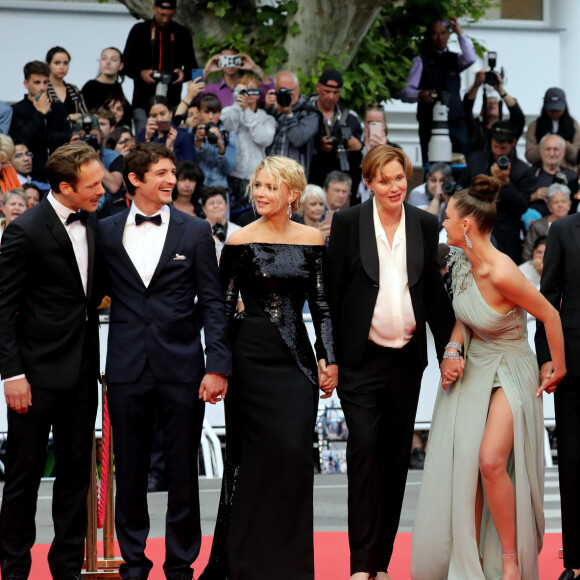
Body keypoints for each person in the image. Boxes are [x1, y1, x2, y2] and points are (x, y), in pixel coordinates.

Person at [412, 175, 566, 580]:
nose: (442, 223)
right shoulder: (461, 261)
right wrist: (452, 349)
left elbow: (550, 314)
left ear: (466, 225)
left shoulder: (502, 272)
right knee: (466, 465)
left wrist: (558, 366)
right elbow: (467, 318)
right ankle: (475, 563)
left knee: (489, 460)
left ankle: (511, 562)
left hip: (512, 367)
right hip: (476, 366)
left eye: (447, 217)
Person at [97, 142, 231, 580]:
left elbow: (213, 303)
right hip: (125, 367)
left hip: (183, 368)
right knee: (130, 471)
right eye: (162, 173)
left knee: (181, 472)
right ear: (135, 180)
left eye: (173, 172)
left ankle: (180, 564)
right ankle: (133, 563)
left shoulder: (195, 231)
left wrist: (217, 365)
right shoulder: (105, 231)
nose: (172, 180)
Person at [201, 156, 337, 580]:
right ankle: (246, 563)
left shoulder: (312, 238)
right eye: (257, 185)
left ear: (292, 194)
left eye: (270, 187)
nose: (260, 193)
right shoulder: (240, 240)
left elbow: (323, 305)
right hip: (249, 361)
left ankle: (290, 565)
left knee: (294, 456)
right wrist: (218, 367)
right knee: (250, 461)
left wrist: (328, 356)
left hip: (296, 363)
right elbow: (220, 311)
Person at [327, 145, 455, 579]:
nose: (394, 186)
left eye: (400, 178)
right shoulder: (347, 222)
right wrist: (330, 358)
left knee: (395, 459)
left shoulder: (424, 223)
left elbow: (435, 299)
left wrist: (448, 352)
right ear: (368, 182)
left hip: (406, 362)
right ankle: (360, 566)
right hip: (359, 361)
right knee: (364, 451)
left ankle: (380, 563)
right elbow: (331, 295)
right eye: (385, 180)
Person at [0, 141, 104, 580]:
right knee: (23, 477)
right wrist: (14, 374)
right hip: (35, 375)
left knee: (76, 474)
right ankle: (16, 569)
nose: (102, 189)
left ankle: (66, 569)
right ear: (66, 186)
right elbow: (3, 307)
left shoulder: (96, 222)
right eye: (94, 184)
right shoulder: (24, 230)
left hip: (82, 372)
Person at [535, 192, 580, 580]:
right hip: (575, 367)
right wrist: (547, 356)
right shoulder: (563, 230)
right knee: (573, 461)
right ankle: (577, 562)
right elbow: (547, 299)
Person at [399, 16, 476, 164]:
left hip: (455, 120)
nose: (439, 38)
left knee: (462, 159)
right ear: (430, 35)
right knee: (431, 163)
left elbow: (471, 58)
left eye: (443, 33)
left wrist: (460, 32)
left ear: (448, 35)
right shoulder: (421, 60)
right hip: (430, 121)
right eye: (435, 33)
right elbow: (405, 91)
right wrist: (420, 94)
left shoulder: (455, 59)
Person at [459, 121, 536, 263]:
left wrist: (506, 183)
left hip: (505, 235)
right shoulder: (476, 159)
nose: (498, 152)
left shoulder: (523, 170)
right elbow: (461, 189)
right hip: (474, 229)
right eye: (495, 146)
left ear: (513, 143)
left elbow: (523, 205)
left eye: (503, 148)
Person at [123, 0, 198, 135]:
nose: (165, 19)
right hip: (142, 99)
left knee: (172, 137)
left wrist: (182, 75)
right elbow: (125, 65)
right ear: (154, 9)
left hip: (172, 99)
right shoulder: (139, 30)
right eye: (162, 14)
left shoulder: (182, 33)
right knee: (144, 138)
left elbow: (193, 67)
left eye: (169, 16)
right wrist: (141, 73)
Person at [10, 61, 72, 182]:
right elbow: (21, 139)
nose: (42, 87)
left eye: (45, 82)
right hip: (31, 176)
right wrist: (40, 114)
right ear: (26, 83)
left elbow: (67, 136)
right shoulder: (16, 110)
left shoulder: (58, 107)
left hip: (59, 173)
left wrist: (41, 136)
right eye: (37, 82)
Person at [221, 74, 275, 210]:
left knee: (253, 217)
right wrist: (237, 105)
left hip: (255, 177)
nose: (249, 94)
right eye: (245, 90)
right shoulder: (230, 111)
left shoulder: (266, 118)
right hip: (232, 175)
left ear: (258, 95)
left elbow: (263, 139)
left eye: (253, 90)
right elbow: (227, 126)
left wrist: (246, 112)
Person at [308, 69, 363, 194]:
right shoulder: (305, 112)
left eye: (336, 93)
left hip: (341, 183)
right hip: (311, 179)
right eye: (327, 91)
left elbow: (360, 154)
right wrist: (317, 144)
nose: (331, 96)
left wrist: (358, 145)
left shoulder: (350, 118)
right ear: (318, 87)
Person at [265, 70, 320, 178]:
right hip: (270, 175)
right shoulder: (273, 107)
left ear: (298, 87)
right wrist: (267, 109)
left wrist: (289, 114)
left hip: (293, 177)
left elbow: (297, 139)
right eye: (283, 91)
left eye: (290, 90)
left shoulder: (310, 112)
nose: (288, 94)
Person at [463, 71, 525, 153]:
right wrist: (476, 86)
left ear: (502, 112)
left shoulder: (508, 128)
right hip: (480, 164)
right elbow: (466, 109)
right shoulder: (475, 127)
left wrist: (501, 91)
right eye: (488, 103)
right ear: (482, 111)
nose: (492, 104)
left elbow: (518, 116)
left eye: (495, 103)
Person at [355, 103, 402, 204]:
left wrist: (383, 151)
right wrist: (366, 152)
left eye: (378, 122)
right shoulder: (357, 148)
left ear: (384, 124)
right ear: (364, 123)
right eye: (370, 122)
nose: (373, 126)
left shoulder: (395, 150)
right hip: (358, 204)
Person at [526, 88, 580, 171]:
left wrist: (568, 147)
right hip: (541, 173)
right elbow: (530, 156)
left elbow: (577, 157)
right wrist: (544, 144)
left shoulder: (573, 125)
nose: (555, 112)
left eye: (558, 110)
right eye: (551, 109)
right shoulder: (535, 125)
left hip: (567, 173)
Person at [199, 48, 274, 108]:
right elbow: (192, 95)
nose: (230, 64)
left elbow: (269, 90)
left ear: (239, 60)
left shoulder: (249, 88)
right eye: (225, 60)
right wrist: (206, 71)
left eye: (233, 60)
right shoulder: (214, 90)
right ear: (220, 62)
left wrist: (255, 68)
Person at [529, 134, 578, 217]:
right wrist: (534, 196)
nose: (551, 154)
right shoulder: (529, 174)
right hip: (531, 224)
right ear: (541, 151)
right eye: (548, 149)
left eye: (556, 149)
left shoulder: (572, 177)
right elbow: (515, 201)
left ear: (563, 151)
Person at [194, 93, 236, 188]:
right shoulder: (192, 132)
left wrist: (220, 145)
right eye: (206, 112)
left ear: (220, 113)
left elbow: (228, 170)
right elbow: (190, 165)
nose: (210, 117)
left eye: (215, 112)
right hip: (197, 189)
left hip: (219, 189)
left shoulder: (228, 134)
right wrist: (198, 143)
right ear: (199, 113)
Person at [522, 183, 571, 261]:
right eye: (556, 202)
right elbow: (527, 255)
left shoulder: (577, 224)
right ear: (549, 206)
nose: (560, 205)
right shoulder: (538, 226)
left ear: (569, 204)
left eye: (563, 201)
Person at [138, 95, 195, 162]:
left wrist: (170, 149)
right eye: (153, 116)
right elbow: (140, 164)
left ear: (170, 113)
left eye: (162, 114)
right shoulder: (144, 134)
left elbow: (190, 167)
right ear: (148, 117)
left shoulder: (184, 136)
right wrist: (147, 139)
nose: (159, 119)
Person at [81, 47, 131, 123]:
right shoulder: (90, 87)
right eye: (104, 59)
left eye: (113, 60)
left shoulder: (117, 87)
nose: (108, 62)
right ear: (100, 62)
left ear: (121, 66)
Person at [46, 46, 88, 123]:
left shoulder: (73, 89)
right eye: (57, 63)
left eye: (65, 63)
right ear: (48, 64)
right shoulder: (43, 89)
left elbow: (85, 116)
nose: (62, 67)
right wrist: (69, 117)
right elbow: (43, 118)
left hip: (75, 133)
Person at [201, 186, 241, 262]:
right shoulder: (197, 230)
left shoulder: (238, 230)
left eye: (219, 202)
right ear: (203, 208)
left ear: (226, 205)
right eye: (211, 203)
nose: (216, 206)